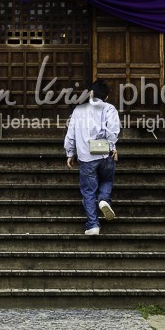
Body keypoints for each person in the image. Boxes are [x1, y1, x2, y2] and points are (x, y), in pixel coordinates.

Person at [65, 79, 120, 236]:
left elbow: (71, 135)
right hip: (104, 153)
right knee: (107, 180)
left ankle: (93, 225)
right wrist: (111, 147)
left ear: (90, 94)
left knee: (88, 192)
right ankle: (103, 199)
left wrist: (70, 153)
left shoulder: (78, 110)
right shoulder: (109, 109)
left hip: (86, 157)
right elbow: (113, 131)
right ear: (106, 97)